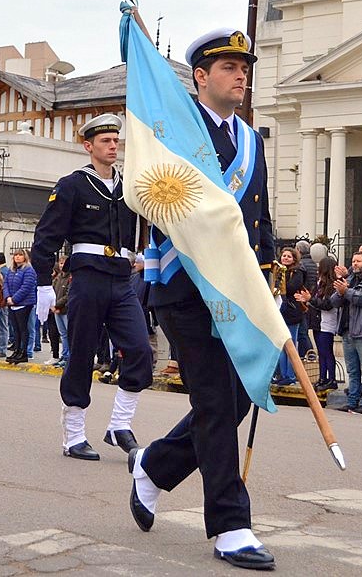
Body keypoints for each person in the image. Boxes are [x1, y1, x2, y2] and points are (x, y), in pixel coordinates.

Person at [126, 29, 276, 570]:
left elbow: (258, 222)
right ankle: (232, 527)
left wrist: (271, 277)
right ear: (200, 77)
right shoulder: (174, 132)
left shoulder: (253, 141)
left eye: (244, 66)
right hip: (185, 288)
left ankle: (154, 467)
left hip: (237, 293)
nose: (241, 75)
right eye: (229, 67)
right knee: (215, 403)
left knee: (235, 404)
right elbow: (153, 197)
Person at [30, 113, 154, 460]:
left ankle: (119, 425)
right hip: (87, 279)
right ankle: (73, 435)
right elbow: (46, 237)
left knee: (141, 351)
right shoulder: (73, 185)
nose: (113, 146)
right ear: (89, 146)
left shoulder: (129, 186)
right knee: (82, 355)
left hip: (121, 280)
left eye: (116, 140)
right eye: (105, 141)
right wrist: (43, 285)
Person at [332, 251, 362, 415]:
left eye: (359, 261)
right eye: (353, 261)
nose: (355, 264)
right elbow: (333, 301)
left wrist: (346, 292)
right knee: (352, 371)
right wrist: (340, 293)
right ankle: (352, 402)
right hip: (347, 331)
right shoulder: (349, 280)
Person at [297, 257, 342, 390]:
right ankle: (322, 377)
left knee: (326, 351)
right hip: (317, 321)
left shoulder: (332, 285)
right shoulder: (319, 283)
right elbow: (312, 299)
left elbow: (328, 305)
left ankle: (331, 379)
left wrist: (311, 299)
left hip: (327, 322)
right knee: (321, 352)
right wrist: (306, 299)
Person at [275, 247, 306, 386]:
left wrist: (281, 285)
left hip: (292, 311)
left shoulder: (297, 272)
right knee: (281, 344)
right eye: (284, 255)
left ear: (294, 259)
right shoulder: (277, 271)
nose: (285, 258)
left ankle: (290, 375)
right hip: (279, 311)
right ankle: (282, 374)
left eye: (289, 256)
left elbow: (292, 288)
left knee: (291, 344)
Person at [4, 249, 37, 365]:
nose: (17, 257)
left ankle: (23, 353)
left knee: (23, 329)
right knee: (15, 329)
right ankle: (16, 350)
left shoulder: (28, 270)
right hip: (12, 303)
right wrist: (8, 297)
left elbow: (26, 287)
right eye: (15, 255)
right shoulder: (11, 270)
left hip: (24, 304)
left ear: (25, 257)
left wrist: (14, 299)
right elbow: (6, 284)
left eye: (20, 255)